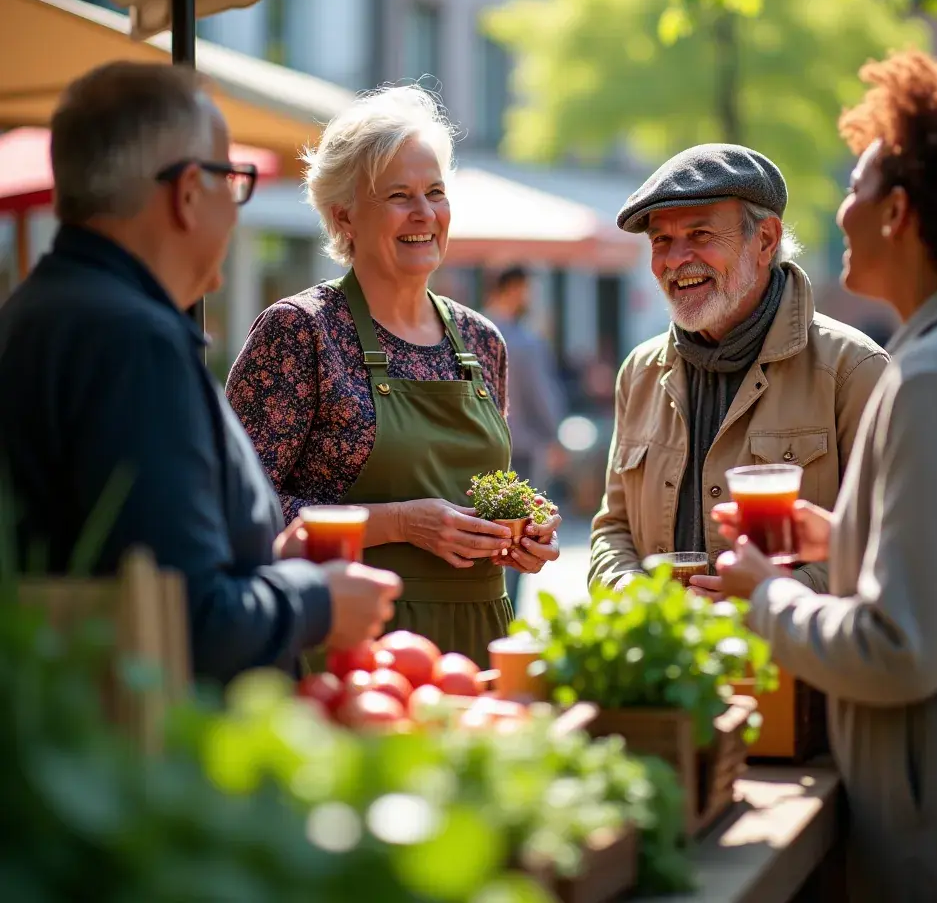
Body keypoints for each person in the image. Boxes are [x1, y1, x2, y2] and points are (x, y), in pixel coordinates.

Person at [713, 51, 937, 902]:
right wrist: (844, 536)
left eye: (855, 185)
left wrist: (760, 594)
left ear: (900, 213)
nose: (841, 209)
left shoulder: (936, 377)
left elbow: (903, 651)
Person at [0, 62, 401, 685]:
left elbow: (128, 554)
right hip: (144, 756)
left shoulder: (37, 311)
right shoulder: (133, 344)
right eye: (231, 179)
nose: (236, 208)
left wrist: (268, 561)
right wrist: (316, 602)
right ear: (189, 193)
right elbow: (183, 622)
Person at [226, 85, 561, 667]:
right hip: (347, 646)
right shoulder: (300, 331)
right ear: (344, 216)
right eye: (399, 196)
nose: (424, 214)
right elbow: (237, 512)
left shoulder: (482, 341)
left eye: (435, 193)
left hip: (477, 644)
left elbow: (479, 500)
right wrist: (399, 522)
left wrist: (517, 533)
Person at [589, 143, 888, 594]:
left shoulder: (854, 370)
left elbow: (888, 550)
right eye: (661, 241)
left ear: (765, 240)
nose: (674, 260)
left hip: (789, 661)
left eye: (701, 235)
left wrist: (765, 601)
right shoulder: (639, 372)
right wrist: (634, 597)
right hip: (665, 660)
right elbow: (612, 530)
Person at [483, 265, 567, 609]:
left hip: (484, 447)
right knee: (519, 541)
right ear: (514, 289)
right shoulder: (525, 340)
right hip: (524, 447)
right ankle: (507, 615)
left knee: (487, 534)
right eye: (526, 289)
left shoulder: (469, 331)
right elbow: (543, 397)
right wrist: (555, 437)